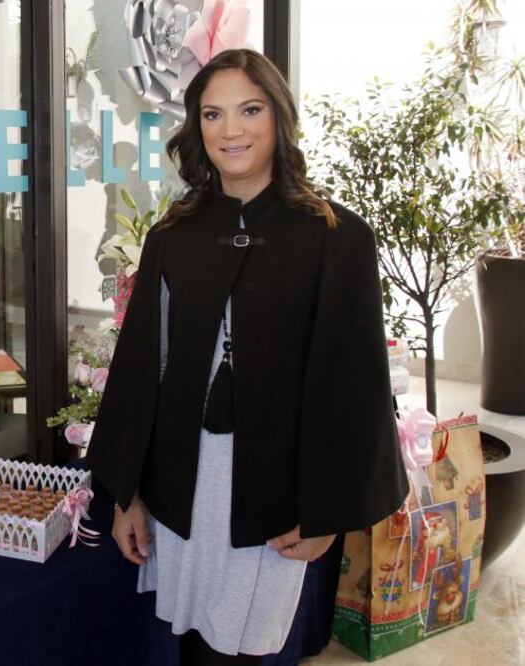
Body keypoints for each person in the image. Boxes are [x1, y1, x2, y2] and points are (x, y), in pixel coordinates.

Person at [86, 49, 408, 665]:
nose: (230, 130)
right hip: (181, 480)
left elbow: (354, 388)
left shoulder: (337, 237)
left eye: (249, 110)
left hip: (274, 491)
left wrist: (326, 514)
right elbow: (138, 370)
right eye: (212, 114)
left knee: (243, 646)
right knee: (193, 642)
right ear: (195, 127)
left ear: (279, 118)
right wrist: (127, 493)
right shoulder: (173, 234)